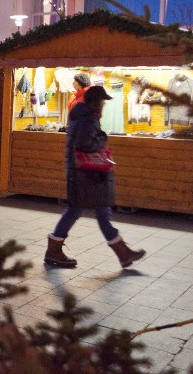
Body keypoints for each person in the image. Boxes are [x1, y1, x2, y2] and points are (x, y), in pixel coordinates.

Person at [44, 85, 146, 269]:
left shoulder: (80, 116)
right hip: (87, 174)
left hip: (82, 173)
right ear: (96, 103)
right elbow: (85, 143)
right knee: (90, 210)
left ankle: (122, 253)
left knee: (93, 210)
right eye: (102, 102)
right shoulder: (88, 119)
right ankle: (55, 251)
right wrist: (102, 138)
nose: (104, 106)